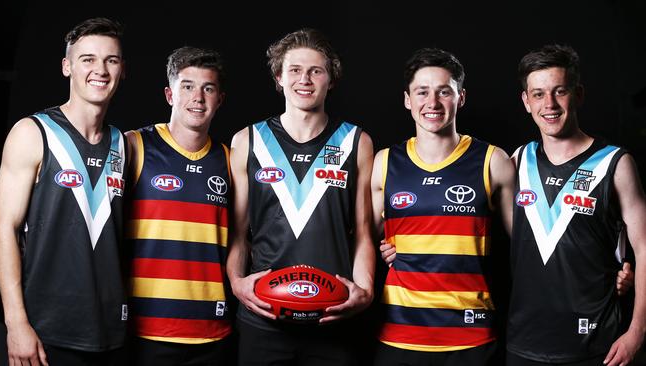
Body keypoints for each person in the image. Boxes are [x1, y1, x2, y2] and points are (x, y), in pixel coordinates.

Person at [226, 28, 375, 365]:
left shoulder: (356, 141)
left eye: (316, 71)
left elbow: (364, 233)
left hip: (333, 315)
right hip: (264, 318)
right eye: (294, 70)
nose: (304, 79)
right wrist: (237, 283)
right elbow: (238, 234)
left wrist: (364, 292)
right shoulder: (248, 141)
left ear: (331, 80)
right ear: (279, 77)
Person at [370, 48, 516, 366]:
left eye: (444, 92)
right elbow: (357, 241)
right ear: (408, 99)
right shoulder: (384, 163)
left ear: (460, 97)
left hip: (472, 334)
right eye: (422, 92)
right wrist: (381, 247)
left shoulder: (493, 161)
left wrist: (605, 268)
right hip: (399, 334)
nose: (432, 103)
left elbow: (529, 245)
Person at [0, 18, 127, 365]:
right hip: (44, 332)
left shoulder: (124, 144)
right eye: (87, 59)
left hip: (112, 331)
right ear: (67, 66)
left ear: (122, 70)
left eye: (111, 60)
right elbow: (4, 230)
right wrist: (16, 323)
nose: (100, 69)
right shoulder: (32, 132)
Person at [506, 44, 646, 366]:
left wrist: (637, 331)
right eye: (538, 94)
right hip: (524, 343)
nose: (550, 104)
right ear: (526, 102)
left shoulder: (615, 162)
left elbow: (644, 248)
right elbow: (472, 228)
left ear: (578, 94)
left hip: (598, 345)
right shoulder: (516, 161)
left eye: (560, 91)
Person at [124, 46, 232, 365]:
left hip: (213, 331)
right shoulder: (134, 145)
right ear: (170, 94)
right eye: (187, 86)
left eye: (208, 88)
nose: (197, 97)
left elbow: (251, 235)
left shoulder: (230, 159)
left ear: (219, 99)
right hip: (145, 331)